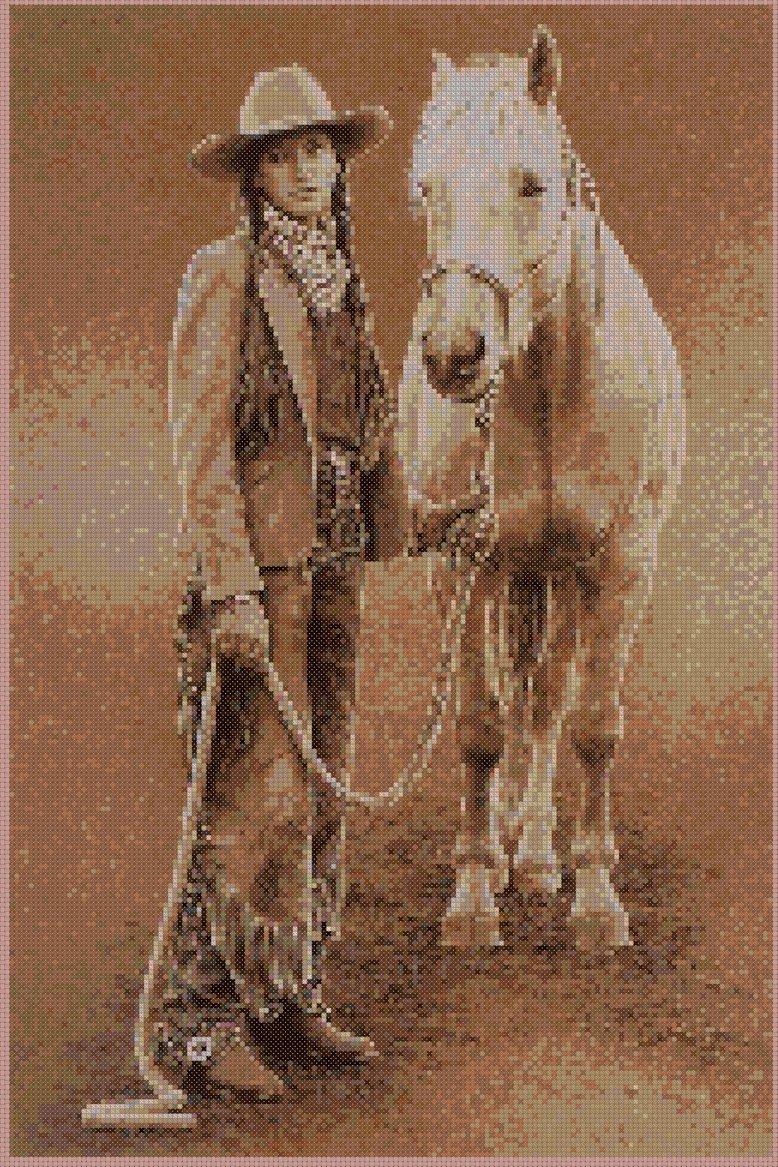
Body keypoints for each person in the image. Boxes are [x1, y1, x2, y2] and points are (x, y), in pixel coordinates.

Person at [150, 65, 408, 1102]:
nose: (305, 170)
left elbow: (364, 440)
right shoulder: (224, 276)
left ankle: (284, 997)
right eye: (283, 155)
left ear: (338, 165)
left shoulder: (343, 284)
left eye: (319, 151)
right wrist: (231, 590)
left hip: (333, 570)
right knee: (252, 799)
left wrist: (435, 519)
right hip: (261, 581)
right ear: (253, 177)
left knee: (319, 792)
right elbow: (201, 448)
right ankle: (195, 1027)